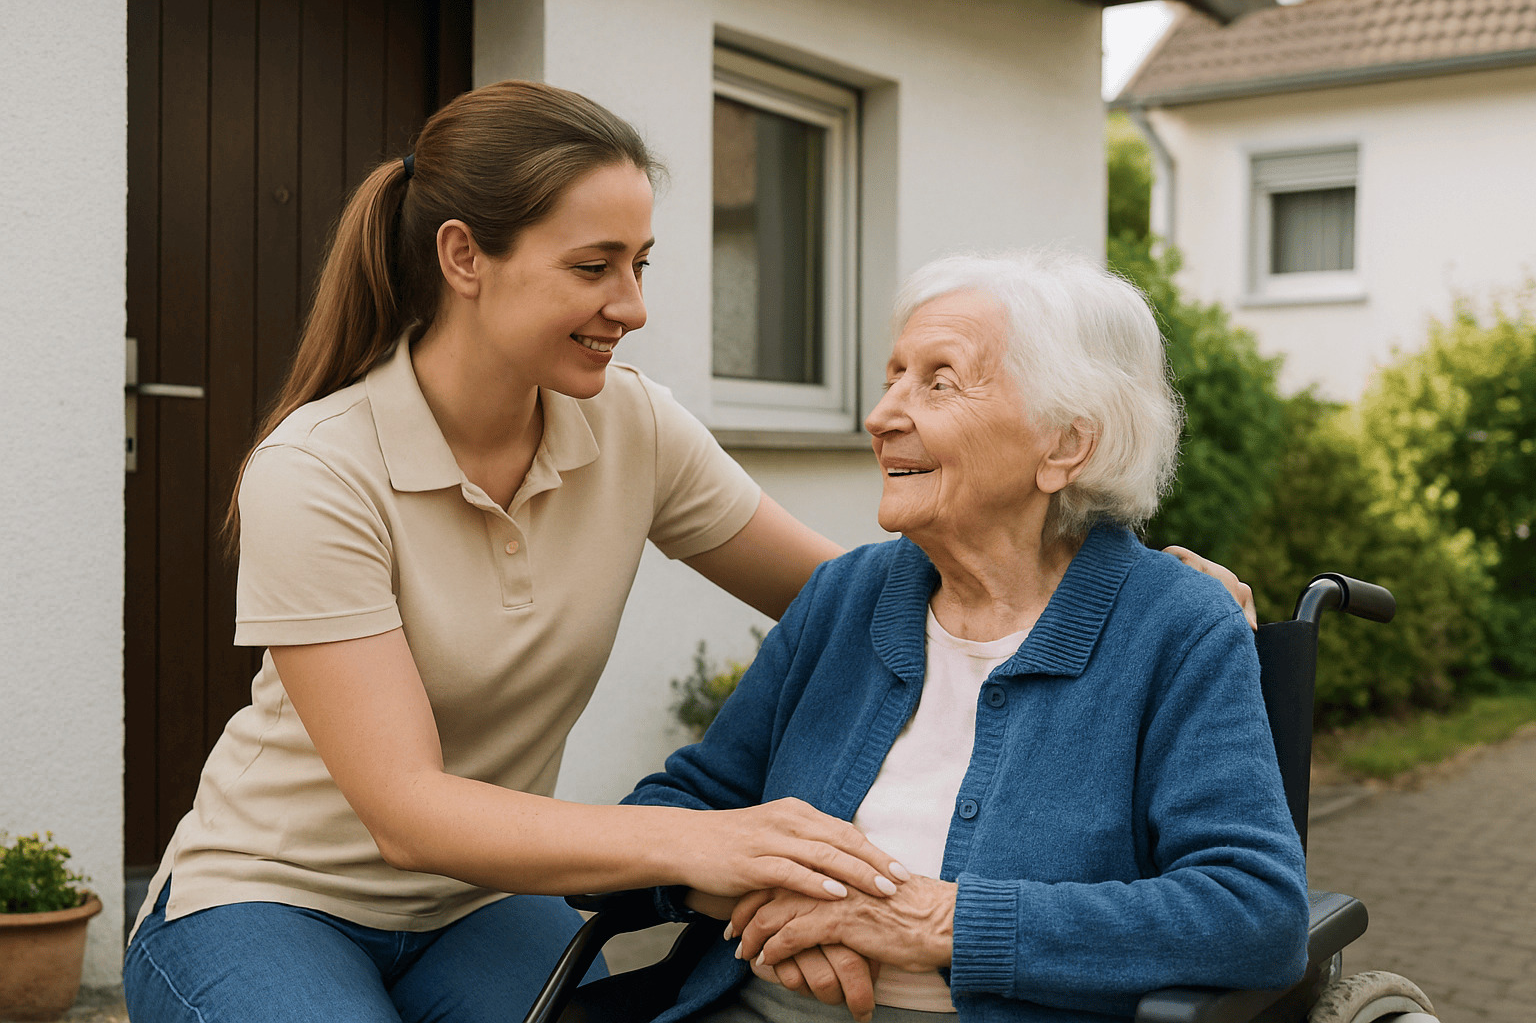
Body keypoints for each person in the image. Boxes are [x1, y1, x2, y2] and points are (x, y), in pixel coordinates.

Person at [121, 79, 1254, 1022]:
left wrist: (1130, 581)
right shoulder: (318, 471)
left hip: (476, 900)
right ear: (465, 257)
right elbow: (405, 810)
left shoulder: (630, 424)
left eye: (642, 265)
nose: (633, 305)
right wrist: (725, 856)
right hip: (281, 891)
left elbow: (882, 605)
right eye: (593, 266)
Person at [623, 251, 1311, 1023]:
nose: (882, 415)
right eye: (894, 377)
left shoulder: (1174, 628)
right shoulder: (845, 597)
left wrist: (934, 921)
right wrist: (785, 893)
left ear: (1065, 445)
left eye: (939, 382)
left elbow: (1254, 912)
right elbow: (669, 810)